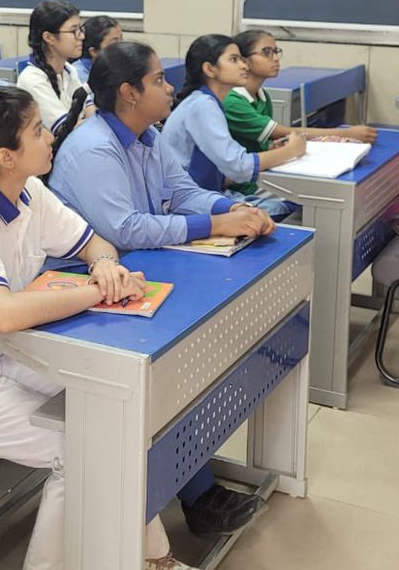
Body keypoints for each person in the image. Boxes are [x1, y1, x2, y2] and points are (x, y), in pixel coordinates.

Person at [0, 86, 188, 570]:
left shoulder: (27, 191)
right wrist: (96, 291)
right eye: (39, 131)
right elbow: (3, 312)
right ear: (6, 156)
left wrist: (105, 266)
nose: (51, 140)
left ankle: (154, 559)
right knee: (80, 448)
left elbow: (94, 242)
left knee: (117, 414)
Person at [49, 42, 272, 539]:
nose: (170, 87)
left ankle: (195, 483)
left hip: (135, 274)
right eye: (157, 80)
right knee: (163, 376)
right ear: (129, 93)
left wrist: (232, 211)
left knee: (185, 364)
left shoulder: (146, 135)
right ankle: (197, 494)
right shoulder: (94, 148)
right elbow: (126, 228)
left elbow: (182, 191)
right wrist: (212, 222)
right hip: (82, 287)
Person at [159, 34, 307, 219]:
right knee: (291, 212)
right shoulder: (202, 106)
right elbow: (239, 166)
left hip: (207, 194)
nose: (244, 66)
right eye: (234, 60)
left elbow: (227, 170)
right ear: (210, 69)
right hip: (188, 204)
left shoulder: (208, 103)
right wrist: (291, 150)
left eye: (242, 59)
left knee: (292, 205)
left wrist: (272, 153)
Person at [226, 29, 377, 196]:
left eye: (276, 51)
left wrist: (271, 147)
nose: (275, 58)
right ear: (244, 60)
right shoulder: (233, 102)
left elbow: (259, 142)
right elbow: (280, 132)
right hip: (246, 187)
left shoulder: (262, 97)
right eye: (267, 52)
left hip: (262, 174)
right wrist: (346, 133)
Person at [16, 0, 90, 133]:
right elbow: (65, 130)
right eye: (74, 31)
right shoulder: (32, 79)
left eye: (80, 29)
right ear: (49, 38)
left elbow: (89, 110)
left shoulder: (68, 70)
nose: (82, 36)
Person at [72, 15, 122, 83]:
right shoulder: (77, 75)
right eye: (114, 44)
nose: (121, 47)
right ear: (94, 52)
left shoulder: (118, 69)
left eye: (121, 40)